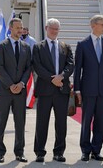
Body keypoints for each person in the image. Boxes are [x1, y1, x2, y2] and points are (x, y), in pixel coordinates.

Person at [33, 18, 74, 163]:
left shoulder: (65, 46)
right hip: (45, 91)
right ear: (46, 28)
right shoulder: (38, 47)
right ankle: (39, 152)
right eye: (52, 28)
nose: (54, 31)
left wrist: (61, 77)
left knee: (61, 123)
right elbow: (37, 66)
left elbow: (70, 64)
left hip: (61, 91)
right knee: (41, 123)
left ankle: (59, 152)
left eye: (57, 29)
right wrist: (52, 79)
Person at [74, 14, 103, 162]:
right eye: (102, 24)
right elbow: (78, 69)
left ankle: (96, 150)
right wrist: (77, 90)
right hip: (87, 90)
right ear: (93, 25)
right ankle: (85, 150)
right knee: (86, 121)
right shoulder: (83, 44)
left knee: (100, 122)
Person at [0, 18, 32, 163]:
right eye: (17, 28)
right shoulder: (2, 45)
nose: (20, 30)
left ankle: (19, 152)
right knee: (1, 122)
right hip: (4, 91)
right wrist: (11, 85)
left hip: (20, 91)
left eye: (21, 28)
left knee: (20, 123)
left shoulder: (26, 47)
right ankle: (0, 152)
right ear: (10, 28)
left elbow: (28, 68)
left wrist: (21, 83)